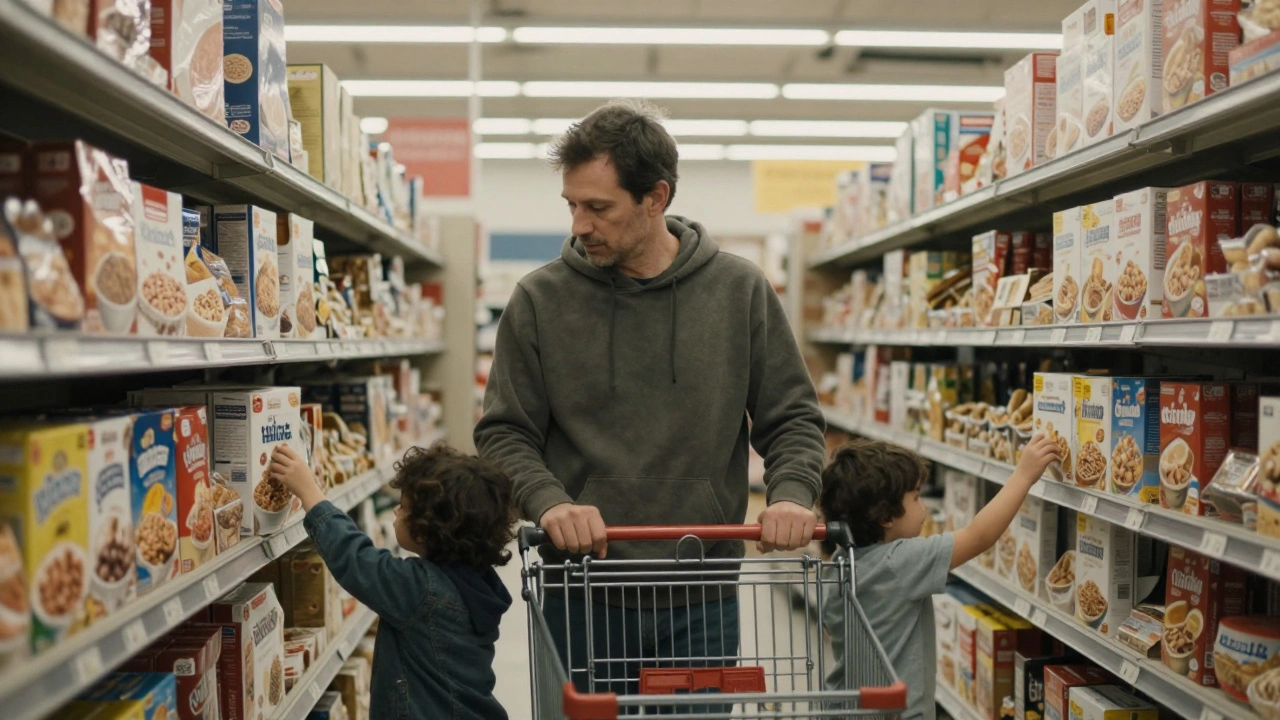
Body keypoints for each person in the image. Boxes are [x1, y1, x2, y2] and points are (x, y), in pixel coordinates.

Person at [474, 98, 827, 694]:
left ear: (656, 198)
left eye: (598, 207)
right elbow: (504, 432)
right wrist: (550, 500)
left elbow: (790, 417)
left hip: (702, 594)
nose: (579, 225)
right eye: (572, 205)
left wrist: (792, 494)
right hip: (580, 589)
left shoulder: (739, 291)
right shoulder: (539, 300)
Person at [818, 435, 1060, 720]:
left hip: (845, 707)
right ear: (885, 517)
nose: (924, 508)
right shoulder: (901, 561)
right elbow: (978, 536)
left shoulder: (839, 563)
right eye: (916, 497)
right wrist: (1023, 475)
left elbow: (832, 627)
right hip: (899, 712)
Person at [269, 442, 516, 720]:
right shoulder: (475, 579)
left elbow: (356, 559)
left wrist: (310, 494)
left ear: (428, 529)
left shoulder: (421, 589)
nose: (396, 511)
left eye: (404, 505)